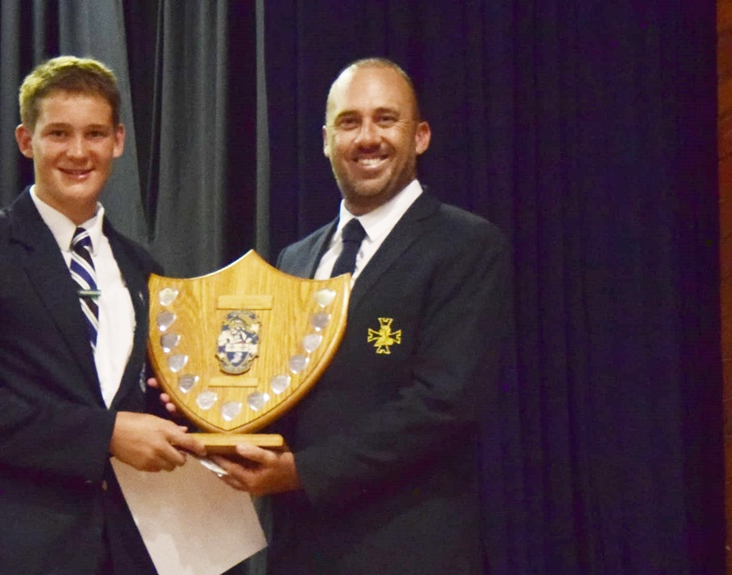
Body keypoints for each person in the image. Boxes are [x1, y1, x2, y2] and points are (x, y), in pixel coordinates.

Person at [211, 58, 512, 574]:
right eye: (349, 122)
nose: (367, 137)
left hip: (410, 552)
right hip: (302, 552)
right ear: (326, 139)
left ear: (420, 136)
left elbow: (444, 405)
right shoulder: (295, 259)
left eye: (385, 119)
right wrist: (207, 419)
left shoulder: (465, 245)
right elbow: (274, 392)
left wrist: (302, 472)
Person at [0, 55, 203, 575]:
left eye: (94, 134)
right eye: (58, 134)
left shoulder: (145, 269)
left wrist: (211, 424)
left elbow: (153, 402)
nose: (77, 152)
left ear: (118, 141)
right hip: (17, 552)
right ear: (27, 141)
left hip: (132, 550)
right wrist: (106, 435)